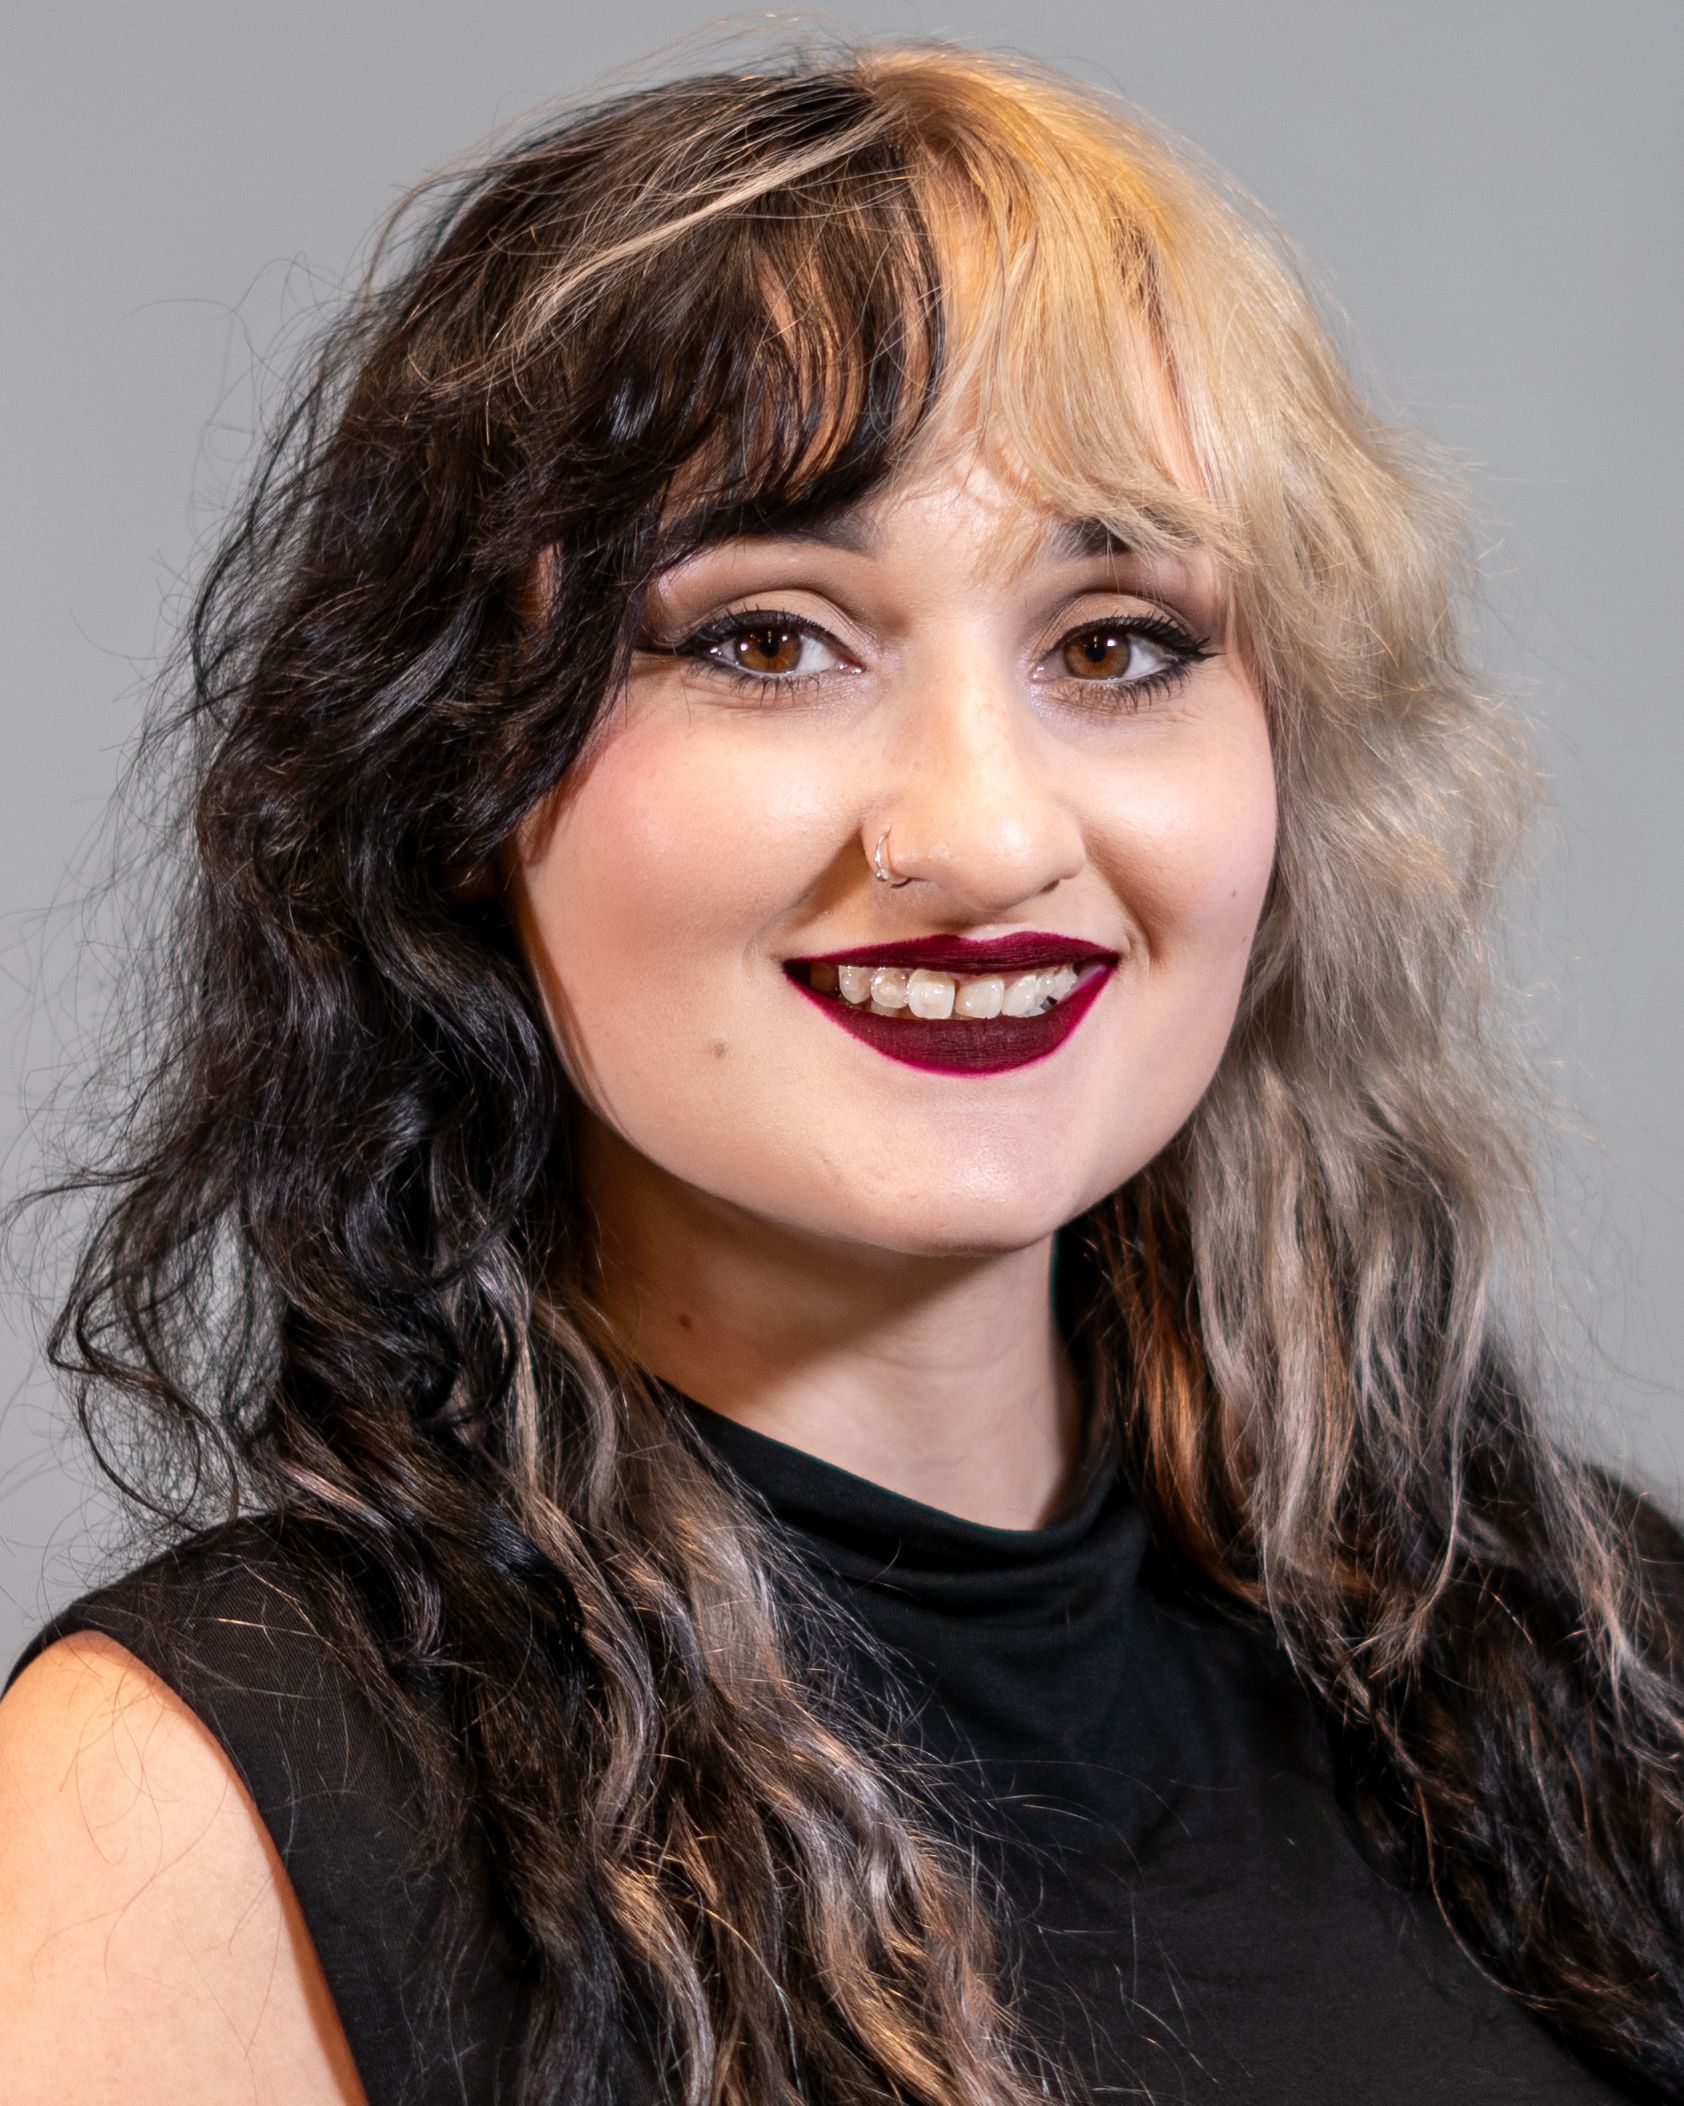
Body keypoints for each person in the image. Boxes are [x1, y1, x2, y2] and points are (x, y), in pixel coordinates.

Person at [1, 37, 1680, 2106]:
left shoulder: (1596, 1678)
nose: (977, 836)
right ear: (448, 772)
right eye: (765, 639)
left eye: (1113, 643)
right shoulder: (188, 1819)